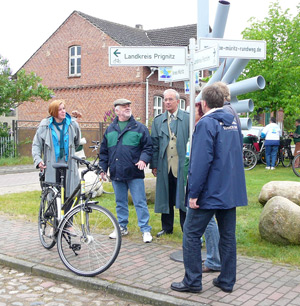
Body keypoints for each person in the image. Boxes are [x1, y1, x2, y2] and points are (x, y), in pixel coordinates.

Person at [171, 84, 247, 294]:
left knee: (191, 234)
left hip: (209, 192)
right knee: (228, 236)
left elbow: (200, 162)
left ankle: (193, 281)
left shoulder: (206, 124)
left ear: (203, 103)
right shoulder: (233, 121)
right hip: (229, 189)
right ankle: (226, 280)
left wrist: (194, 193)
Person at [99, 98, 153, 243]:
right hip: (116, 173)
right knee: (120, 201)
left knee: (139, 202)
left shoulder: (140, 128)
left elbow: (148, 147)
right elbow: (104, 152)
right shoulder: (110, 130)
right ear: (116, 111)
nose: (127, 108)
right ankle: (122, 227)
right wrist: (102, 169)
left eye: (128, 105)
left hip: (134, 173)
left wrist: (143, 159)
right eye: (124, 106)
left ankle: (145, 230)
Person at [150, 89, 189, 237]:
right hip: (165, 166)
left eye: (170, 99)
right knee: (165, 196)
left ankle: (187, 228)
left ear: (178, 101)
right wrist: (154, 165)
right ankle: (167, 228)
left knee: (183, 197)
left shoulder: (187, 118)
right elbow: (154, 144)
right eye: (165, 99)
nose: (167, 102)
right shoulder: (158, 120)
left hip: (182, 166)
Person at [32, 99, 81, 204]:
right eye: (60, 110)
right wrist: (38, 160)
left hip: (69, 164)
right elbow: (36, 144)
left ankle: (68, 219)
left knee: (70, 194)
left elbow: (76, 142)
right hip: (52, 164)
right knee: (54, 195)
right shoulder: (45, 125)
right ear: (53, 112)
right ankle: (55, 218)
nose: (63, 111)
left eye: (64, 108)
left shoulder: (72, 124)